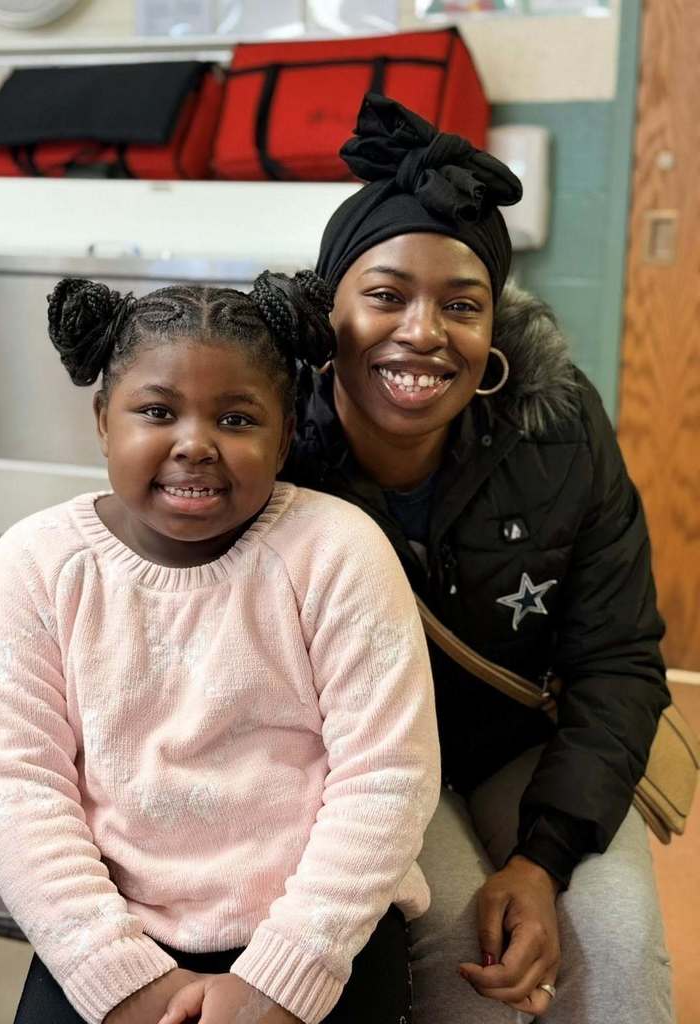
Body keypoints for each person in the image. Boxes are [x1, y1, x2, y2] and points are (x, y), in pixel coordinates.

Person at [285, 93, 675, 1023]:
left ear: (493, 327)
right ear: (326, 308)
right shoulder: (266, 444)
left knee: (615, 949)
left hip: (518, 746)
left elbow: (617, 654)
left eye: (461, 305)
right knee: (467, 961)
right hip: (360, 762)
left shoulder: (558, 423)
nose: (422, 332)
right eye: (385, 295)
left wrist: (542, 860)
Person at [0, 273, 440, 1024]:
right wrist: (115, 973)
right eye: (156, 411)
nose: (194, 444)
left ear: (285, 436)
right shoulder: (37, 564)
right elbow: (16, 792)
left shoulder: (339, 552)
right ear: (101, 420)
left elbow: (388, 776)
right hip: (111, 930)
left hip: (316, 930)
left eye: (238, 418)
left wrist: (283, 977)